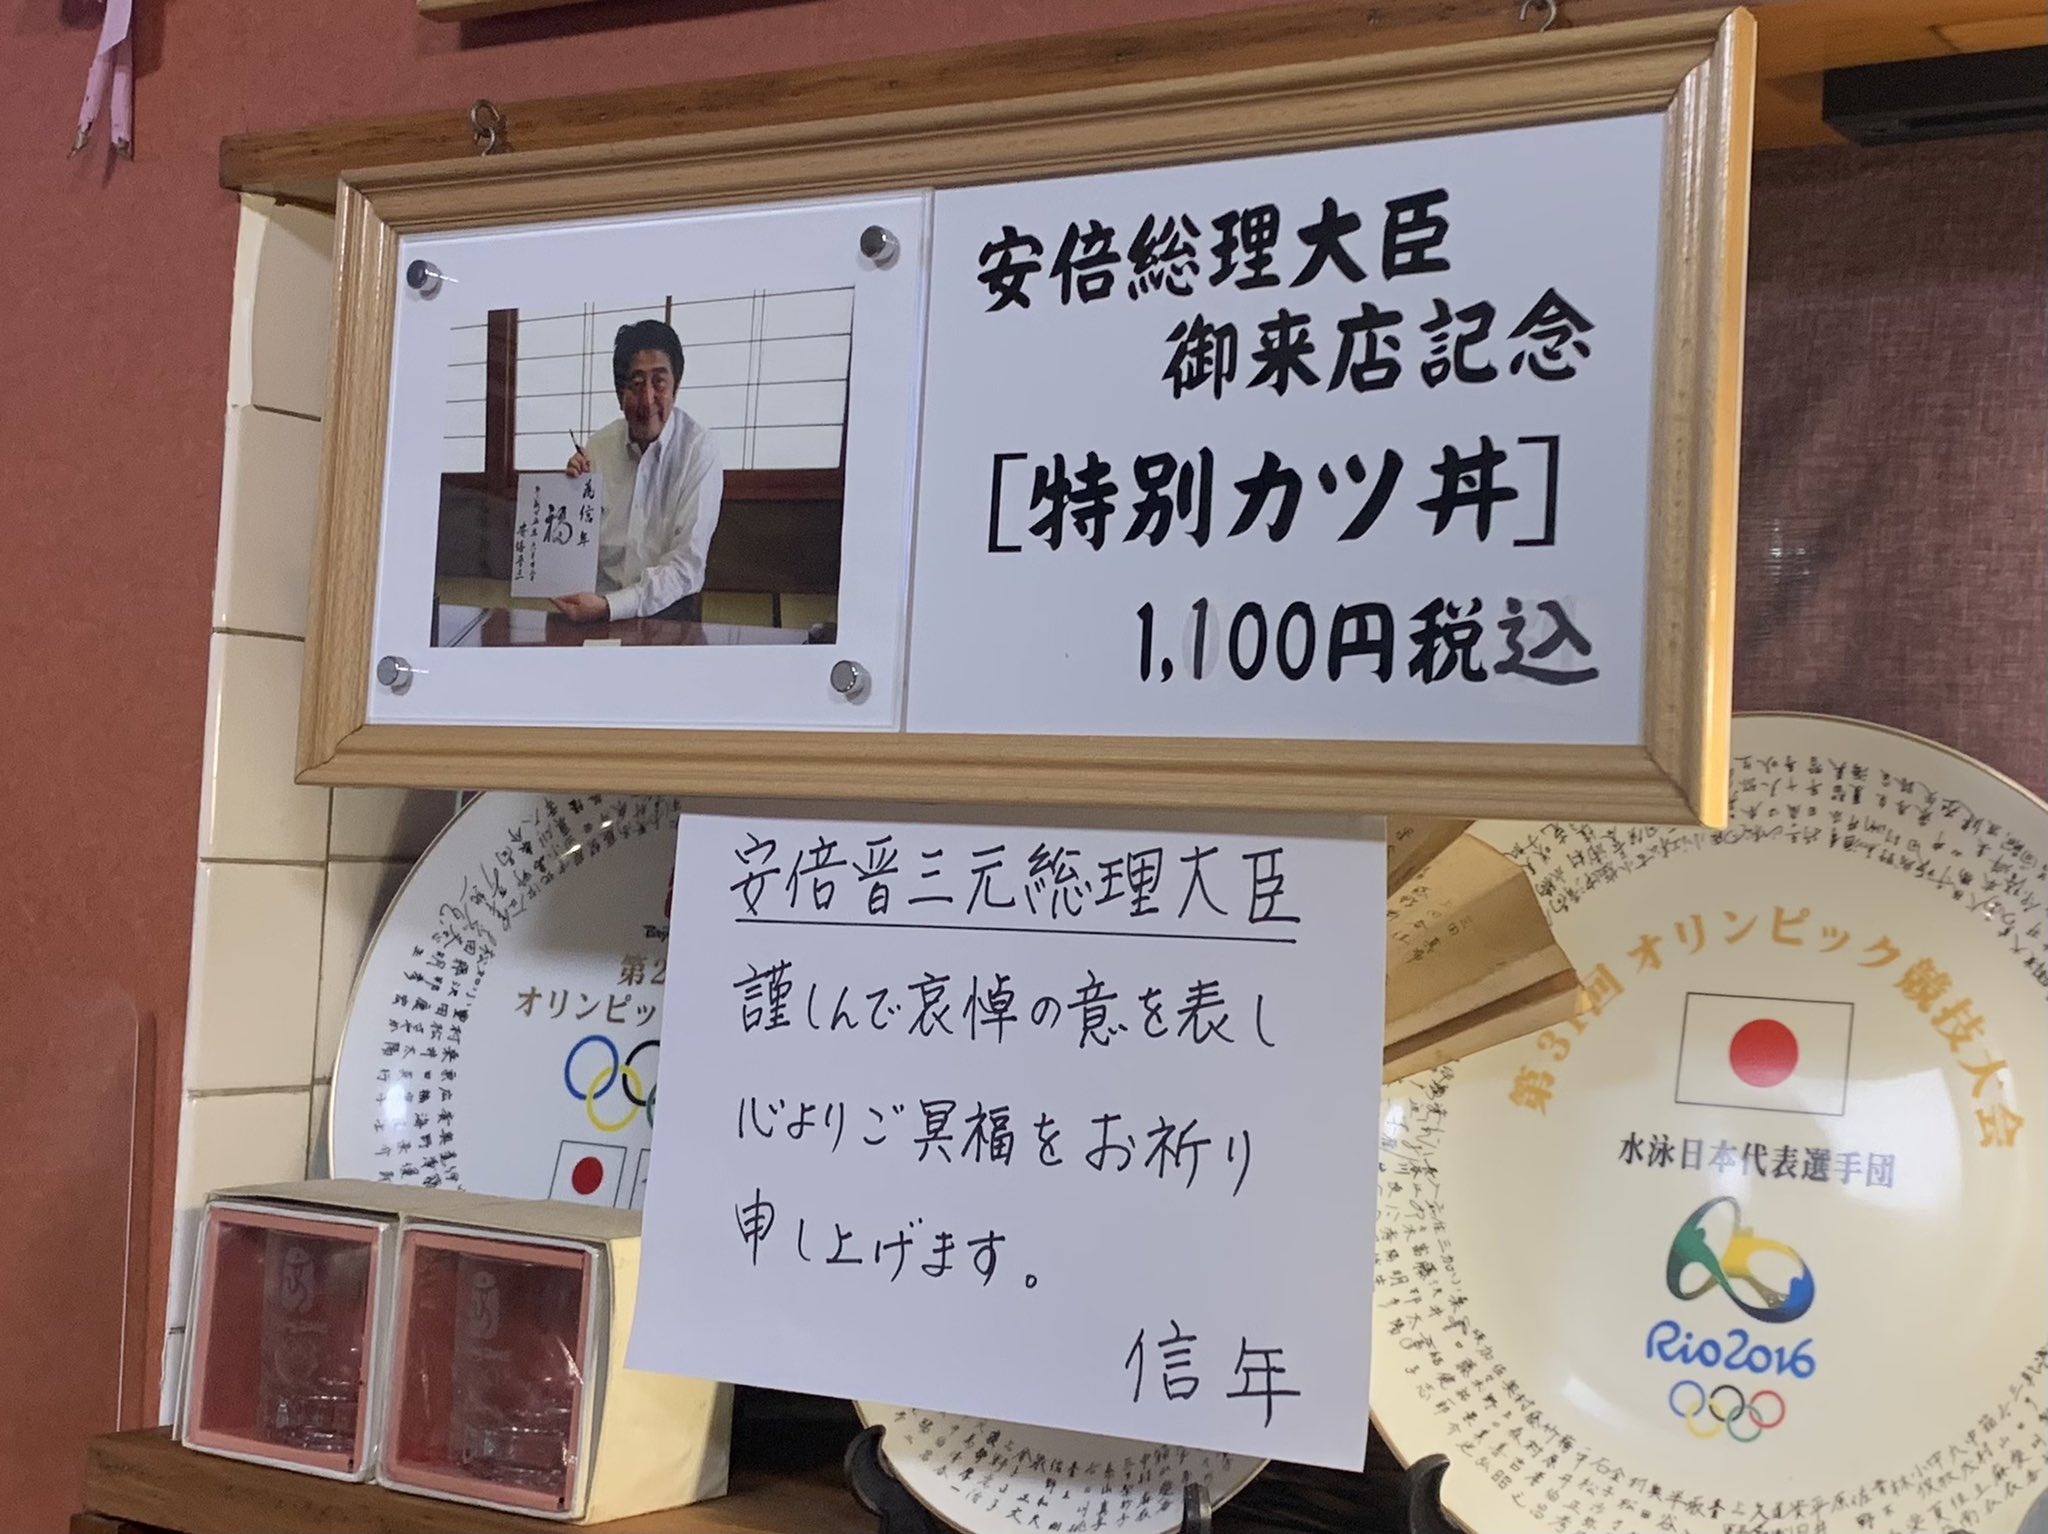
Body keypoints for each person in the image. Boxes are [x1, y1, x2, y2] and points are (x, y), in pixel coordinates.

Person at [554, 318, 724, 624]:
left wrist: (610, 606)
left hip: (668, 616)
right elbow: (574, 546)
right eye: (635, 384)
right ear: (620, 394)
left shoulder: (698, 451)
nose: (647, 399)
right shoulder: (598, 448)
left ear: (676, 387)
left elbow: (687, 565)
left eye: (659, 382)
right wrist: (571, 494)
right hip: (593, 611)